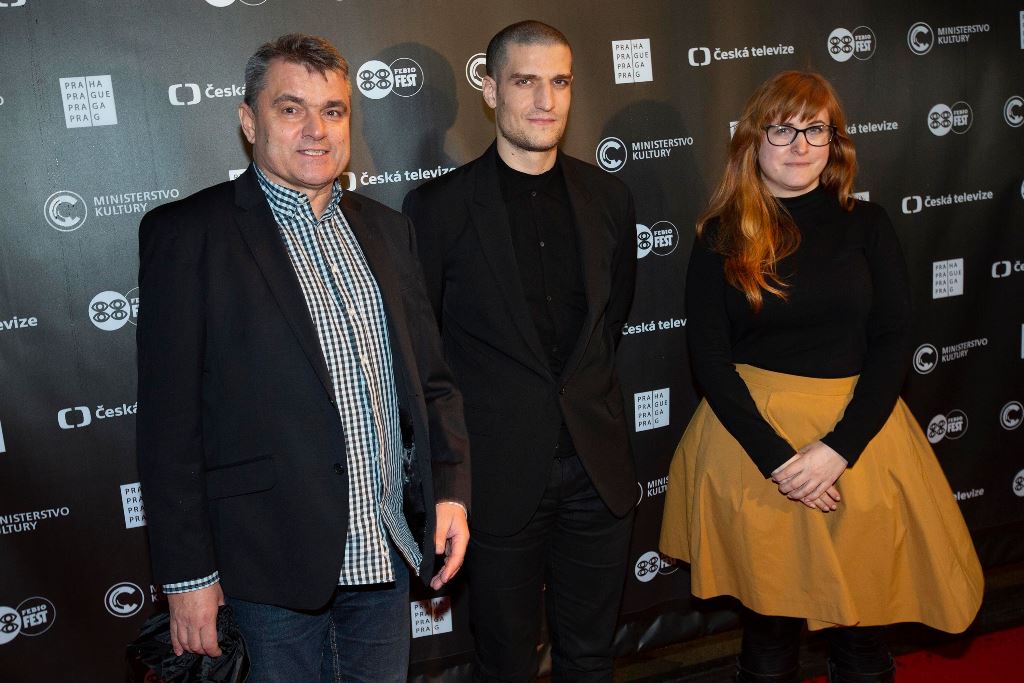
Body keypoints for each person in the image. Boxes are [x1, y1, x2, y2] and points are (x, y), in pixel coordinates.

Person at [136, 33, 470, 682]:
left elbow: (433, 382)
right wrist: (187, 577)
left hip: (384, 557)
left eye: (334, 110)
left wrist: (450, 491)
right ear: (248, 120)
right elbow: (168, 428)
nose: (316, 129)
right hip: (265, 573)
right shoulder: (189, 236)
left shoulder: (387, 230)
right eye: (291, 109)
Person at [659, 71, 983, 683]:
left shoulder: (869, 224)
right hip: (751, 447)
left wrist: (838, 449)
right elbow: (709, 360)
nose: (800, 144)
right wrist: (779, 462)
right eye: (782, 128)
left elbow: (892, 341)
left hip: (858, 441)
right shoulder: (721, 235)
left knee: (862, 630)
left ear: (835, 144)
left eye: (816, 129)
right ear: (753, 141)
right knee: (769, 635)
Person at [403, 20, 637, 682]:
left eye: (559, 82)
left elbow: (612, 322)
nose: (545, 100)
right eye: (525, 81)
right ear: (489, 89)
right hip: (497, 479)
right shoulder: (438, 209)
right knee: (504, 660)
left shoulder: (611, 198)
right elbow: (427, 355)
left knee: (591, 655)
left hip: (597, 472)